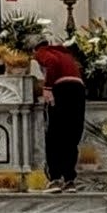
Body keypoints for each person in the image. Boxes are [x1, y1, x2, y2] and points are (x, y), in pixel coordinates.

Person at [34, 38, 87, 188]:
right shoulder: (66, 54)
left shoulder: (42, 52)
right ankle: (70, 179)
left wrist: (47, 88)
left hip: (62, 90)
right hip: (78, 90)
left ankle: (55, 178)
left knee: (55, 134)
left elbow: (51, 63)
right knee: (71, 134)